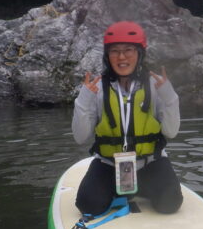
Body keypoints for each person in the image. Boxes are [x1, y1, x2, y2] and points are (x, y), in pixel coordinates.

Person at [72, 21, 183, 217]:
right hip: (109, 164)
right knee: (88, 205)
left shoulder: (156, 85)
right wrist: (83, 100)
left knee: (170, 204)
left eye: (128, 50)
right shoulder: (96, 89)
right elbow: (80, 137)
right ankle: (124, 190)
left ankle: (140, 188)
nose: (122, 57)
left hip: (150, 162)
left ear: (140, 53)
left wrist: (170, 98)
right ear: (107, 56)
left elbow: (171, 132)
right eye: (115, 51)